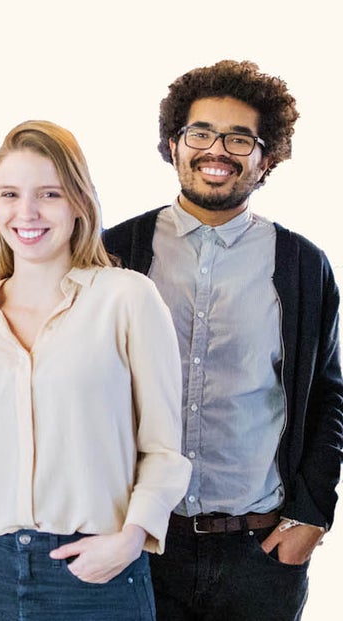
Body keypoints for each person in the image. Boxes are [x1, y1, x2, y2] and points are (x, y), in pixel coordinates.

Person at [0, 121, 191, 620]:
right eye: (10, 194)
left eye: (49, 193)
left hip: (95, 574)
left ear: (79, 203)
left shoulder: (126, 299)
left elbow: (164, 448)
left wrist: (131, 538)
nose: (27, 213)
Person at [103, 60, 343, 620]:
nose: (217, 150)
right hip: (139, 543)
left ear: (267, 157)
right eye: (201, 133)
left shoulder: (303, 265)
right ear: (173, 143)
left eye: (240, 138)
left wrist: (312, 515)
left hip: (257, 555)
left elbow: (331, 396)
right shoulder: (116, 252)